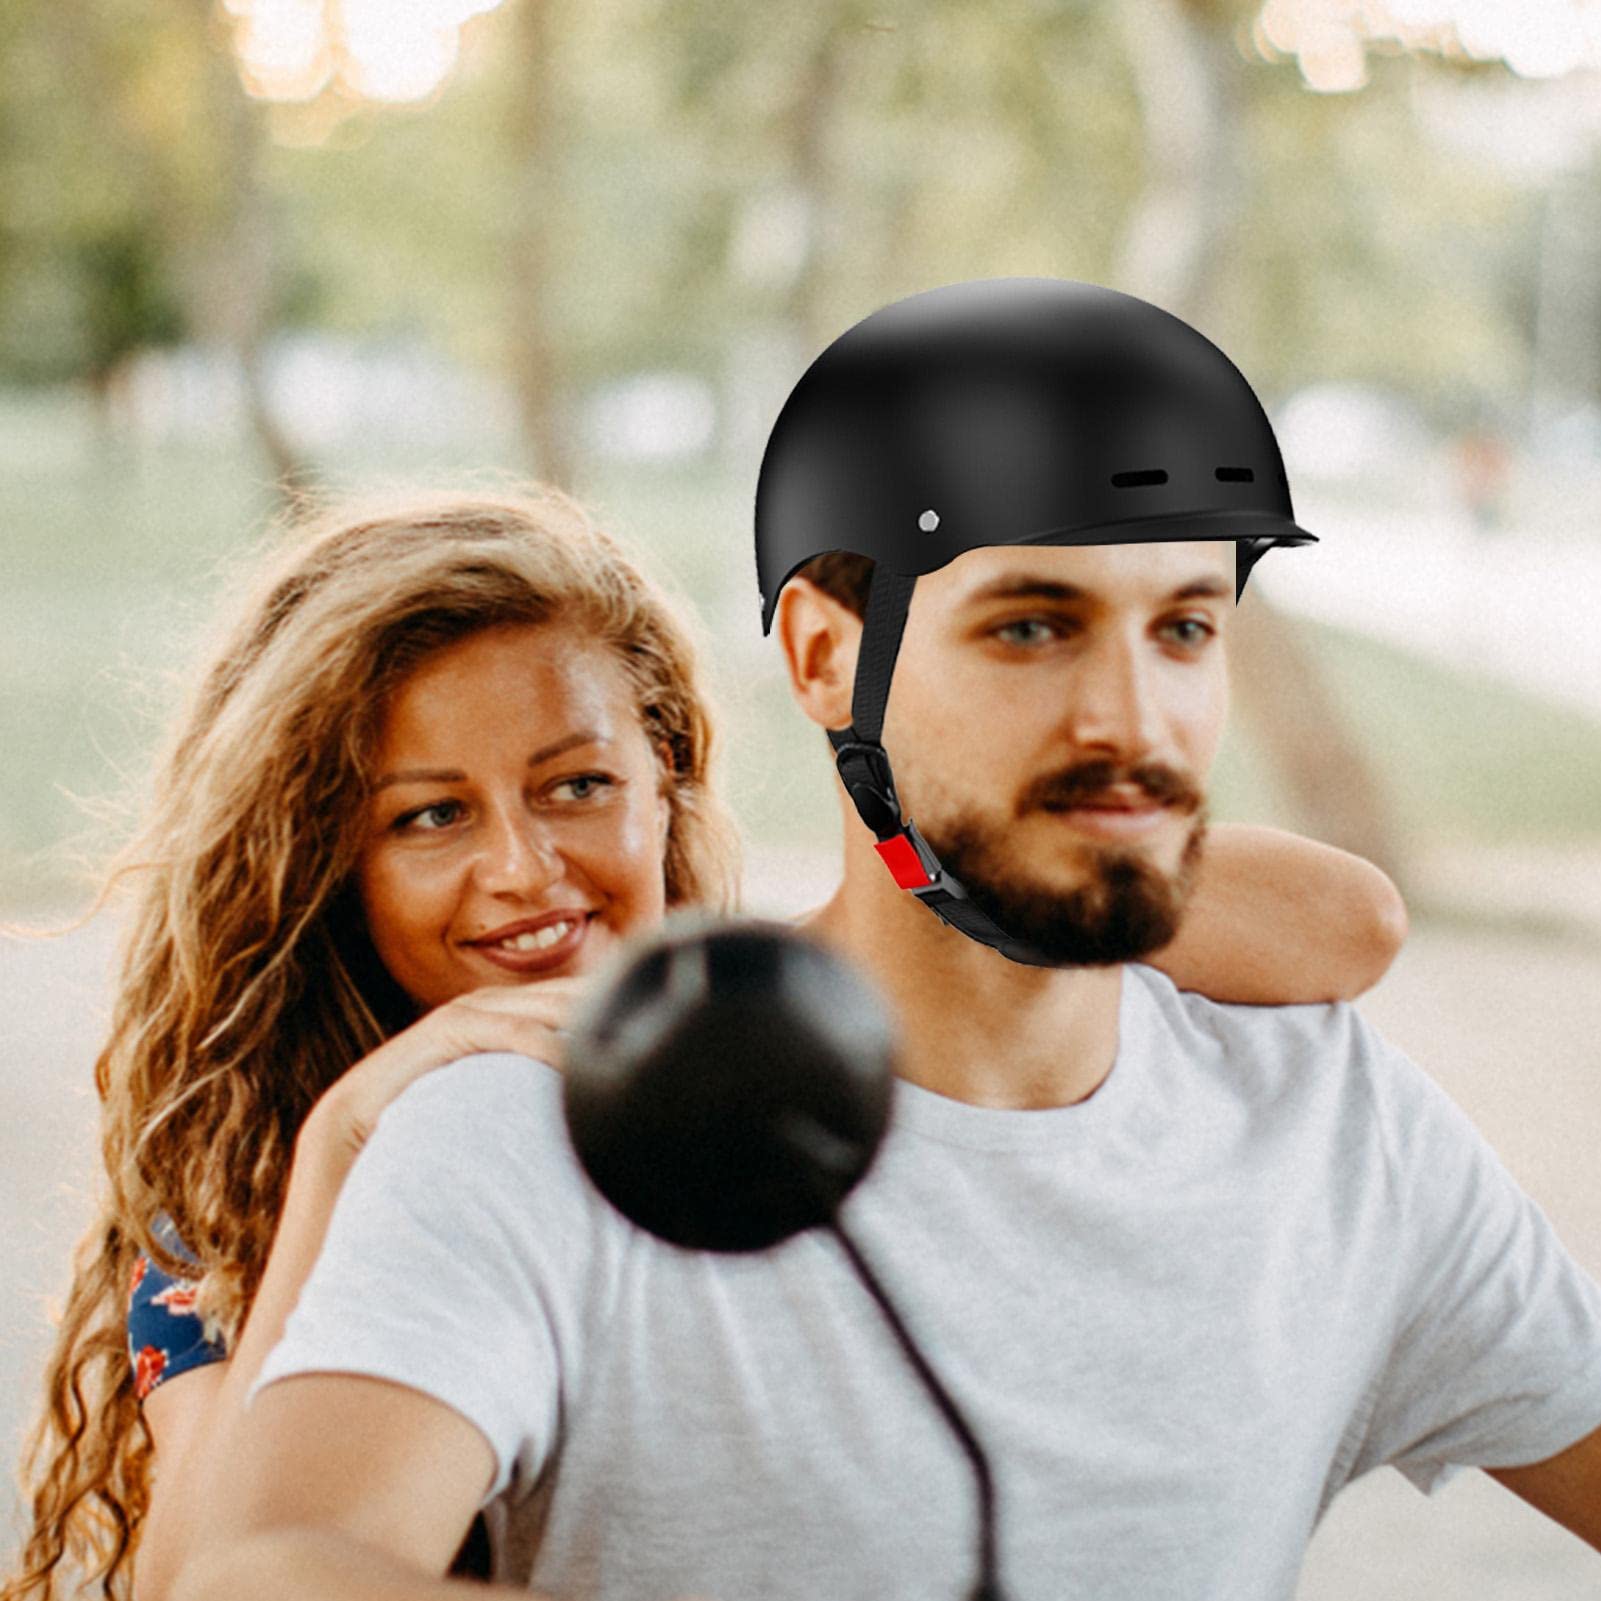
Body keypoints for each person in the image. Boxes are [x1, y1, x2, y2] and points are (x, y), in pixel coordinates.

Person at [162, 285, 1601, 1600]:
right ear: (817, 655)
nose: (1131, 716)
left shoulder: (1331, 1117)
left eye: (1182, 628)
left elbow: (1341, 917)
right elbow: (265, 1573)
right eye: (1030, 626)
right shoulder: (522, 1119)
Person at [4, 480, 1400, 1601]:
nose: (525, 867)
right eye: (430, 814)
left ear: (664, 780)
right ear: (328, 862)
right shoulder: (246, 1189)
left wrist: (911, 883)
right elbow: (201, 1582)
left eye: (578, 784)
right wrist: (338, 1145)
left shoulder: (761, 1041)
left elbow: (1344, 926)